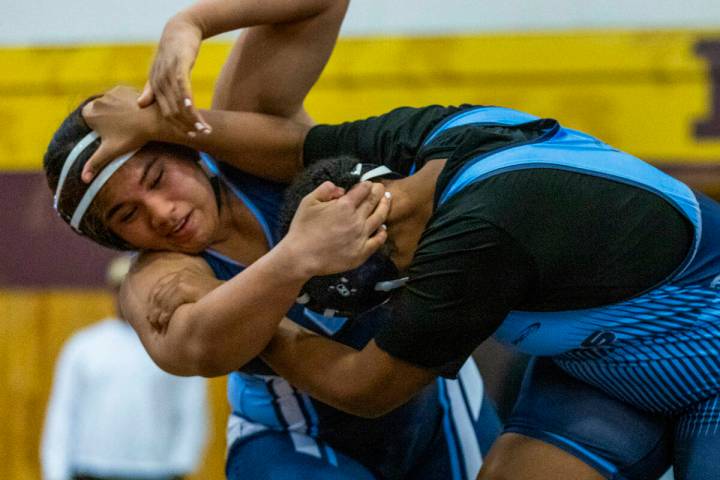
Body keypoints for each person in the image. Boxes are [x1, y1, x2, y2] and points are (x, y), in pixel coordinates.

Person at [43, 1, 501, 478]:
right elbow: (199, 347)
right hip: (294, 438)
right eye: (126, 214)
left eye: (157, 179)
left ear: (186, 150)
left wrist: (191, 23)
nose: (161, 214)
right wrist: (296, 257)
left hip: (432, 404)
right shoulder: (157, 277)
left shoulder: (246, 131)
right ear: (118, 238)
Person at [240, 104, 720, 480]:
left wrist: (256, 330)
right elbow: (300, 143)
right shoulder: (421, 136)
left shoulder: (473, 244)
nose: (402, 295)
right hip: (599, 371)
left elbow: (366, 389)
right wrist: (174, 121)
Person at [40, 255, 208, 480]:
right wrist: (56, 472)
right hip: (91, 470)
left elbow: (191, 409)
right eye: (120, 289)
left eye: (135, 289)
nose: (128, 297)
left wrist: (180, 467)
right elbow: (63, 414)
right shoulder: (84, 347)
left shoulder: (172, 346)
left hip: (156, 472)